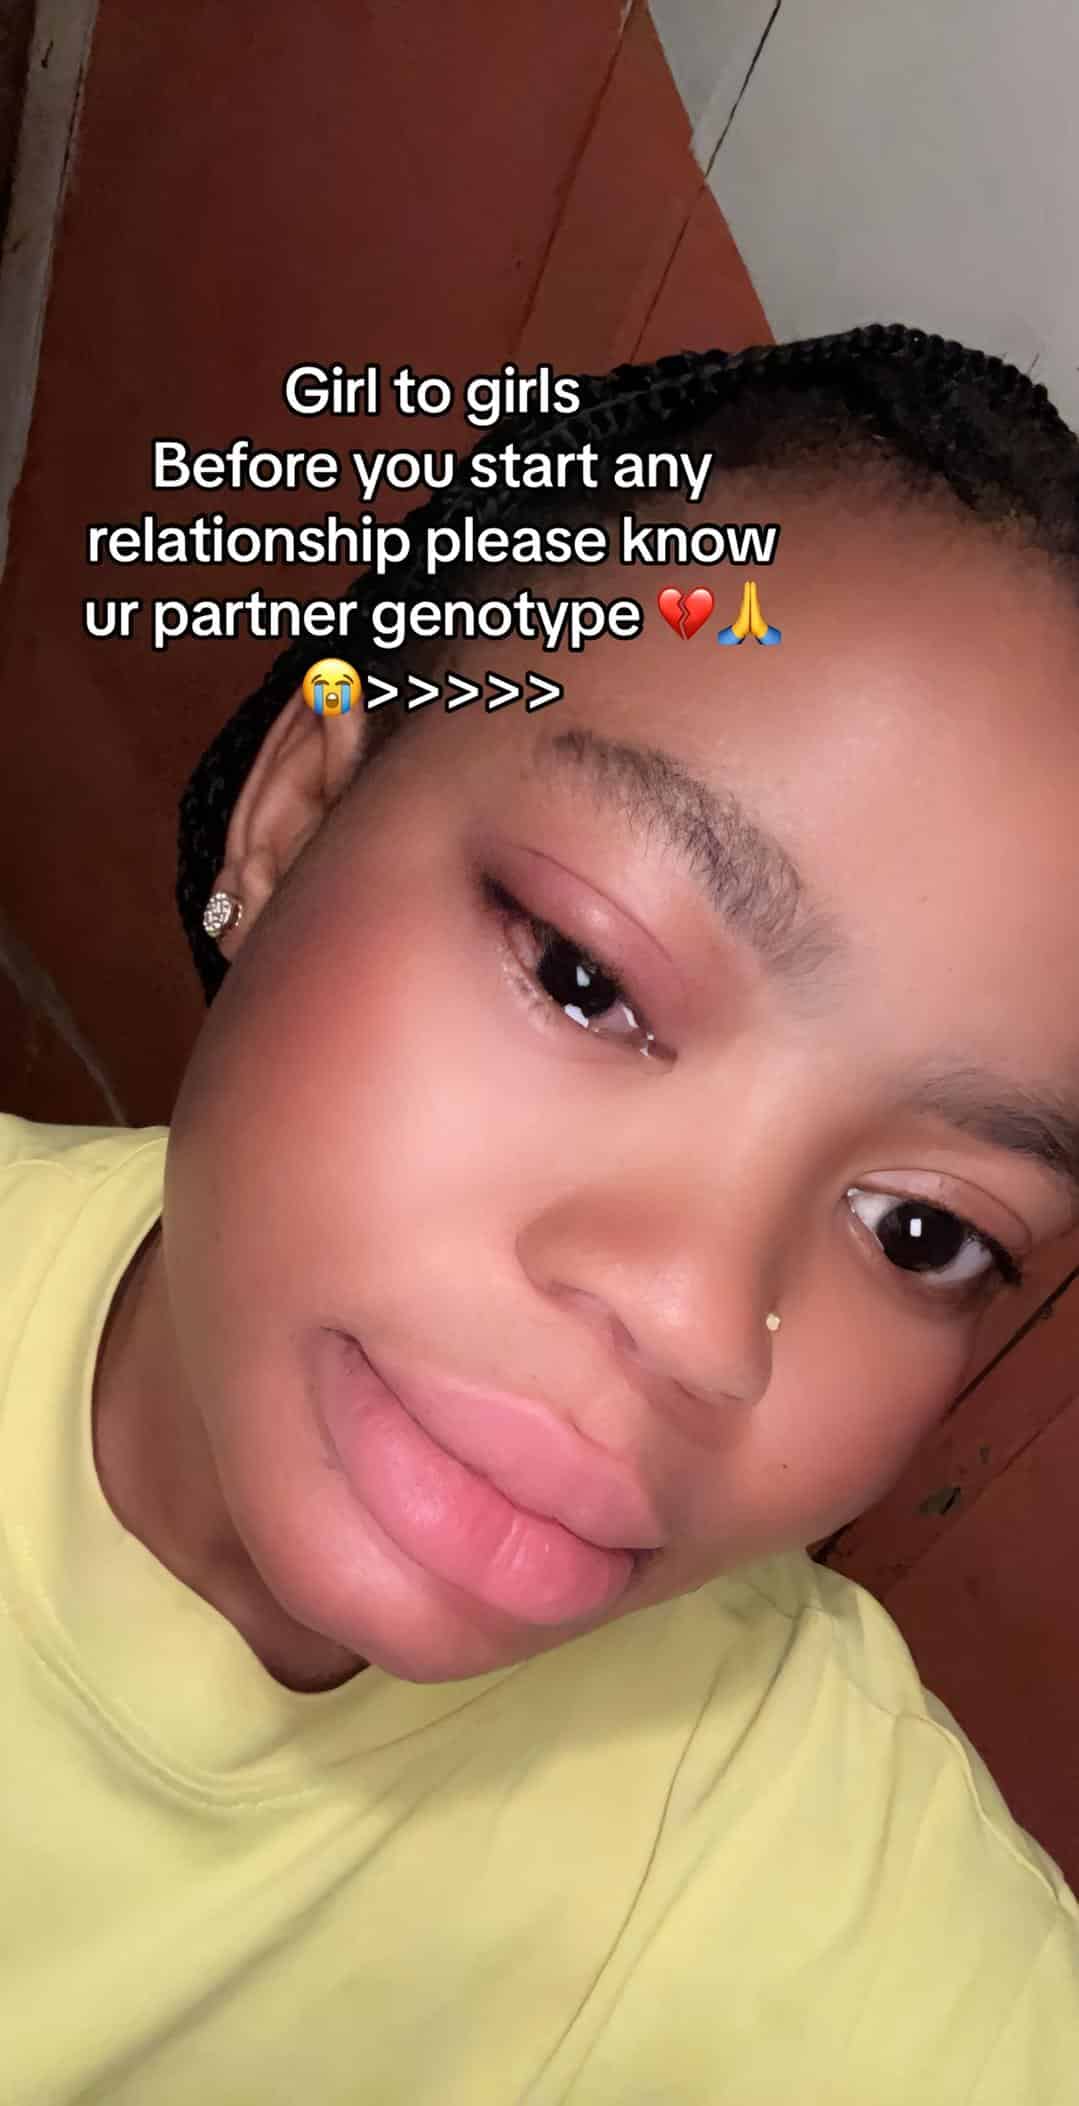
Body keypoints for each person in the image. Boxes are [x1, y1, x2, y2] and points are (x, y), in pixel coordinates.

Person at [3, 323, 1078, 2102]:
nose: (701, 1319)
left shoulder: (790, 1848)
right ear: (296, 813)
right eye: (586, 975)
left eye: (923, 1232)